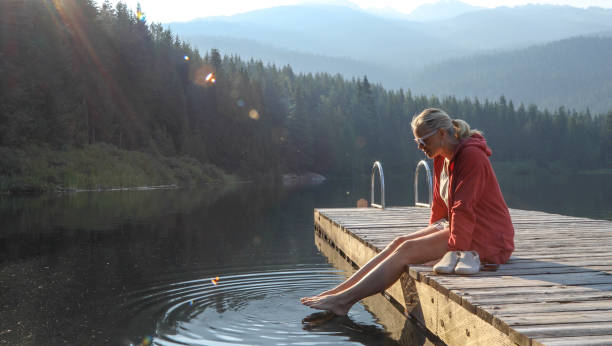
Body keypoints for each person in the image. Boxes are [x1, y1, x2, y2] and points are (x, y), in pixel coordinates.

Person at [301, 108, 514, 316]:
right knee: (399, 242)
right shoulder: (441, 157)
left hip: (488, 236)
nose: (420, 147)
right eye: (417, 142)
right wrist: (432, 233)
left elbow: (463, 206)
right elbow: (440, 205)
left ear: (441, 133)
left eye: (424, 141)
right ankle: (337, 292)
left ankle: (342, 302)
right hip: (464, 228)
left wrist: (450, 249)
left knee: (406, 250)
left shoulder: (471, 156)